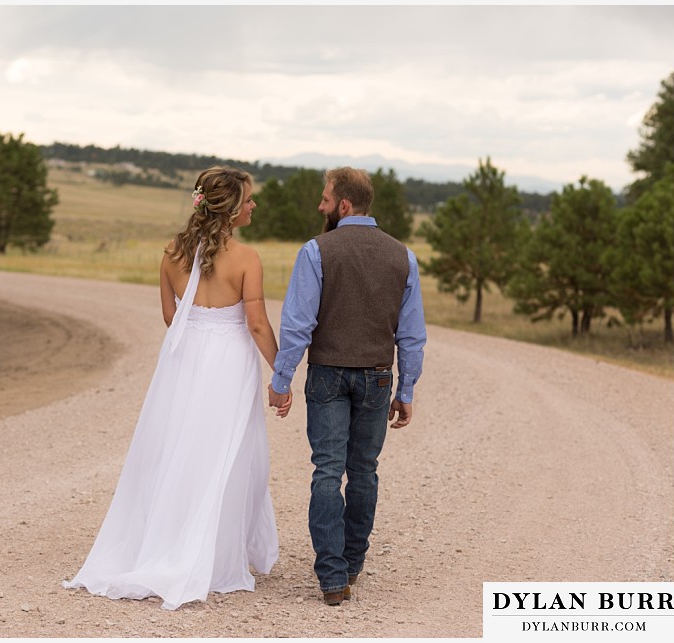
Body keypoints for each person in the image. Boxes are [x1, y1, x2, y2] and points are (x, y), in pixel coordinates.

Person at [64, 166, 291, 610]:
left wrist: (201, 333)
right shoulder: (247, 259)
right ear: (230, 209)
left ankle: (162, 540)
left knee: (174, 449)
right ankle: (211, 554)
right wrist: (281, 374)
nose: (254, 205)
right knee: (224, 454)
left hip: (183, 360)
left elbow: (172, 317)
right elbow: (258, 323)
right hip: (228, 362)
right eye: (249, 199)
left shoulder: (171, 252)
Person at [268, 167, 426, 606]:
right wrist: (406, 390)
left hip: (327, 376)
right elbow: (411, 335)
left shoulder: (316, 251)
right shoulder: (404, 255)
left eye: (324, 199)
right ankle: (352, 562)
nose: (319, 206)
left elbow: (298, 324)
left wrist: (281, 380)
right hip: (377, 376)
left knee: (326, 471)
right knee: (364, 472)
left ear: (343, 205)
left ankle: (333, 577)